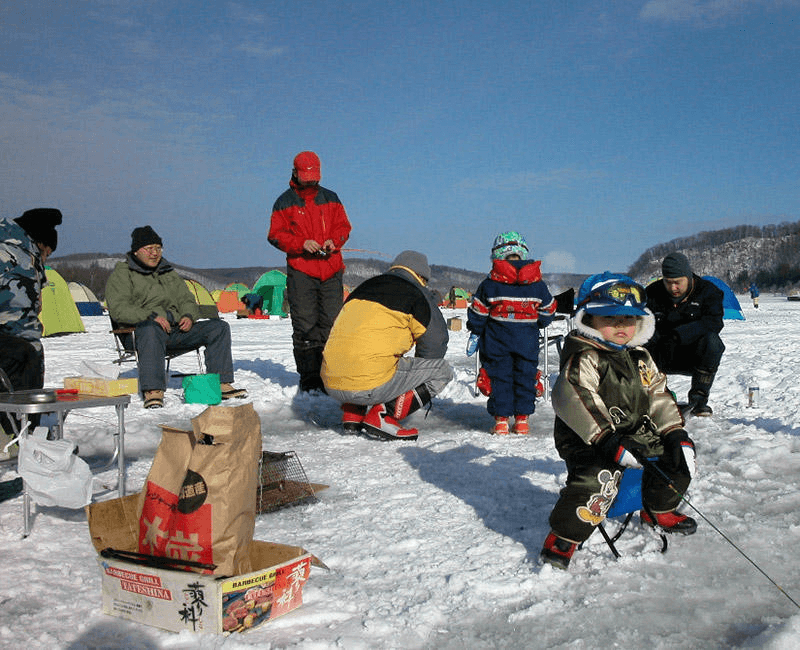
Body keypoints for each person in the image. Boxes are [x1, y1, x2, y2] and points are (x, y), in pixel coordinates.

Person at [540, 272, 697, 570]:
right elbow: (573, 396)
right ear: (590, 319)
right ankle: (565, 536)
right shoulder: (585, 356)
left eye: (629, 319)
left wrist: (674, 432)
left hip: (635, 434)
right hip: (590, 438)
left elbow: (658, 395)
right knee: (599, 477)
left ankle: (659, 508)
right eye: (611, 318)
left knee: (678, 457)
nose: (621, 327)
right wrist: (606, 439)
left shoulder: (640, 357)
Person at [105, 226, 247, 409]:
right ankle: (153, 390)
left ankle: (221, 383)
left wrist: (188, 315)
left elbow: (187, 299)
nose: (155, 253)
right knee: (150, 328)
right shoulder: (122, 274)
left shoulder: (167, 272)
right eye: (149, 249)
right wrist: (151, 316)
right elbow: (119, 309)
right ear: (136, 251)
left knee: (218, 327)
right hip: (138, 333)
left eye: (158, 248)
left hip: (173, 331)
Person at [321, 251, 453, 440]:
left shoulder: (364, 287)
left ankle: (353, 413)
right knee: (442, 371)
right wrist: (412, 381)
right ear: (421, 276)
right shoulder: (417, 292)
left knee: (367, 351)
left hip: (331, 381)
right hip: (368, 384)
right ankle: (384, 414)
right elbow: (436, 341)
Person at [268, 151, 352, 392]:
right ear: (295, 173)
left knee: (332, 326)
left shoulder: (332, 198)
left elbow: (344, 227)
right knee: (305, 327)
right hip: (301, 271)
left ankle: (331, 376)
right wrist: (301, 244)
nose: (311, 180)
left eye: (314, 176)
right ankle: (310, 381)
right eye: (307, 176)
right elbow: (274, 235)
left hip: (331, 270)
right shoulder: (284, 202)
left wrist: (333, 241)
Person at [466, 231, 556, 435]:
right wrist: (537, 322)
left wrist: (475, 330)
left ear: (497, 255)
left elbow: (478, 312)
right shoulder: (537, 284)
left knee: (500, 378)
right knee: (525, 377)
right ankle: (522, 421)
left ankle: (501, 422)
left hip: (497, 342)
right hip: (527, 341)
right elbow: (548, 310)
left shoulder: (490, 283)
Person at [0, 208, 62, 441]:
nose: (46, 260)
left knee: (29, 353)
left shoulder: (25, 256)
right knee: (22, 354)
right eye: (46, 253)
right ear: (39, 244)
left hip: (18, 339)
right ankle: (18, 435)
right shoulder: (10, 254)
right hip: (12, 340)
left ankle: (23, 432)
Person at [645, 252, 725, 416]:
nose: (673, 288)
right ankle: (652, 397)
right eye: (668, 282)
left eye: (677, 282)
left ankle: (698, 401)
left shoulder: (708, 292)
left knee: (713, 343)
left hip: (692, 356)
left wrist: (678, 335)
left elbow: (714, 322)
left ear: (688, 277)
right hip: (659, 355)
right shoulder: (652, 293)